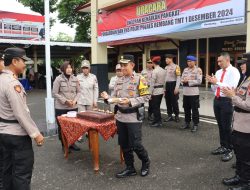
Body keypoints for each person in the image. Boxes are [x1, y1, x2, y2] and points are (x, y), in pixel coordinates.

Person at [0, 47, 44, 190]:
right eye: (23, 61)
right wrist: (35, 134)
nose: (25, 64)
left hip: (2, 133)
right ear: (14, 61)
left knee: (5, 172)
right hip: (16, 137)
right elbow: (21, 113)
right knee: (21, 175)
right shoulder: (13, 84)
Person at [101, 54, 150, 178]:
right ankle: (130, 167)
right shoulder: (119, 80)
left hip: (133, 117)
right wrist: (107, 98)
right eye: (121, 65)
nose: (122, 68)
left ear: (132, 65)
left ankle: (146, 162)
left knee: (136, 144)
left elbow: (146, 97)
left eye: (125, 65)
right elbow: (114, 98)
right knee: (124, 144)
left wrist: (130, 101)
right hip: (120, 117)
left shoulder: (140, 79)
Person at [221, 55, 250, 190]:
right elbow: (240, 96)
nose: (241, 66)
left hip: (246, 126)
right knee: (239, 154)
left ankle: (246, 183)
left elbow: (248, 105)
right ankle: (239, 176)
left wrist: (233, 96)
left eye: (244, 63)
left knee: (245, 157)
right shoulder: (246, 78)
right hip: (239, 123)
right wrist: (233, 93)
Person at [206, 52, 240, 162]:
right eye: (218, 61)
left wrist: (218, 82)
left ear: (227, 60)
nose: (219, 63)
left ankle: (229, 149)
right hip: (217, 100)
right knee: (220, 125)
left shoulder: (234, 71)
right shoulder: (218, 72)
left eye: (221, 61)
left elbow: (230, 87)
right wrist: (212, 83)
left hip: (227, 101)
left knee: (227, 127)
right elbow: (215, 88)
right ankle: (223, 146)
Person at [52, 61, 81, 151]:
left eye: (70, 68)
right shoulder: (58, 79)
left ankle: (72, 143)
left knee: (73, 127)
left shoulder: (75, 79)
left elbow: (79, 92)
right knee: (62, 127)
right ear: (63, 69)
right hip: (61, 108)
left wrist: (75, 101)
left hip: (73, 107)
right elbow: (54, 93)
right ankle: (64, 145)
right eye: (67, 68)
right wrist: (65, 101)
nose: (69, 69)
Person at [180, 55, 202, 132]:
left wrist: (188, 81)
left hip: (194, 93)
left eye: (190, 61)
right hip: (186, 92)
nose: (189, 63)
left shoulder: (198, 70)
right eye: (188, 61)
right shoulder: (185, 70)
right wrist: (183, 81)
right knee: (186, 109)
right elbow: (181, 79)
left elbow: (199, 81)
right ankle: (187, 122)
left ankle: (195, 124)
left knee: (194, 109)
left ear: (194, 62)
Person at [150, 56, 166, 128]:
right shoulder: (163, 70)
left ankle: (158, 121)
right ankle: (156, 120)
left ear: (153, 63)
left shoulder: (154, 71)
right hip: (161, 90)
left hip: (155, 91)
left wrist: (150, 93)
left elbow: (152, 83)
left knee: (155, 107)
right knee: (157, 106)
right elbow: (165, 81)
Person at [164, 54, 181, 122]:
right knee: (167, 101)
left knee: (174, 101)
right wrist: (164, 88)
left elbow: (178, 77)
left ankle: (176, 115)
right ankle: (170, 115)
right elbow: (164, 79)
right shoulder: (166, 67)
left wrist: (177, 87)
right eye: (165, 59)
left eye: (167, 59)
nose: (166, 60)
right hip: (167, 85)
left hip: (173, 84)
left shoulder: (176, 67)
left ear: (171, 59)